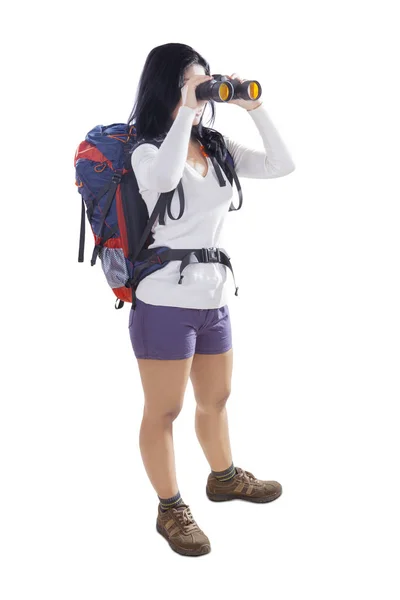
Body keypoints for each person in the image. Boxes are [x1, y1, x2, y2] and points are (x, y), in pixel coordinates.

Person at [127, 42, 295, 557]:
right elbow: (163, 180)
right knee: (165, 409)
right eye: (192, 83)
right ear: (168, 87)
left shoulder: (216, 147)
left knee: (217, 399)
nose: (203, 94)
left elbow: (282, 165)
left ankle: (223, 478)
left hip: (214, 297)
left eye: (205, 83)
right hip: (162, 302)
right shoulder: (148, 148)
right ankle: (170, 507)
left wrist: (254, 106)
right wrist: (183, 112)